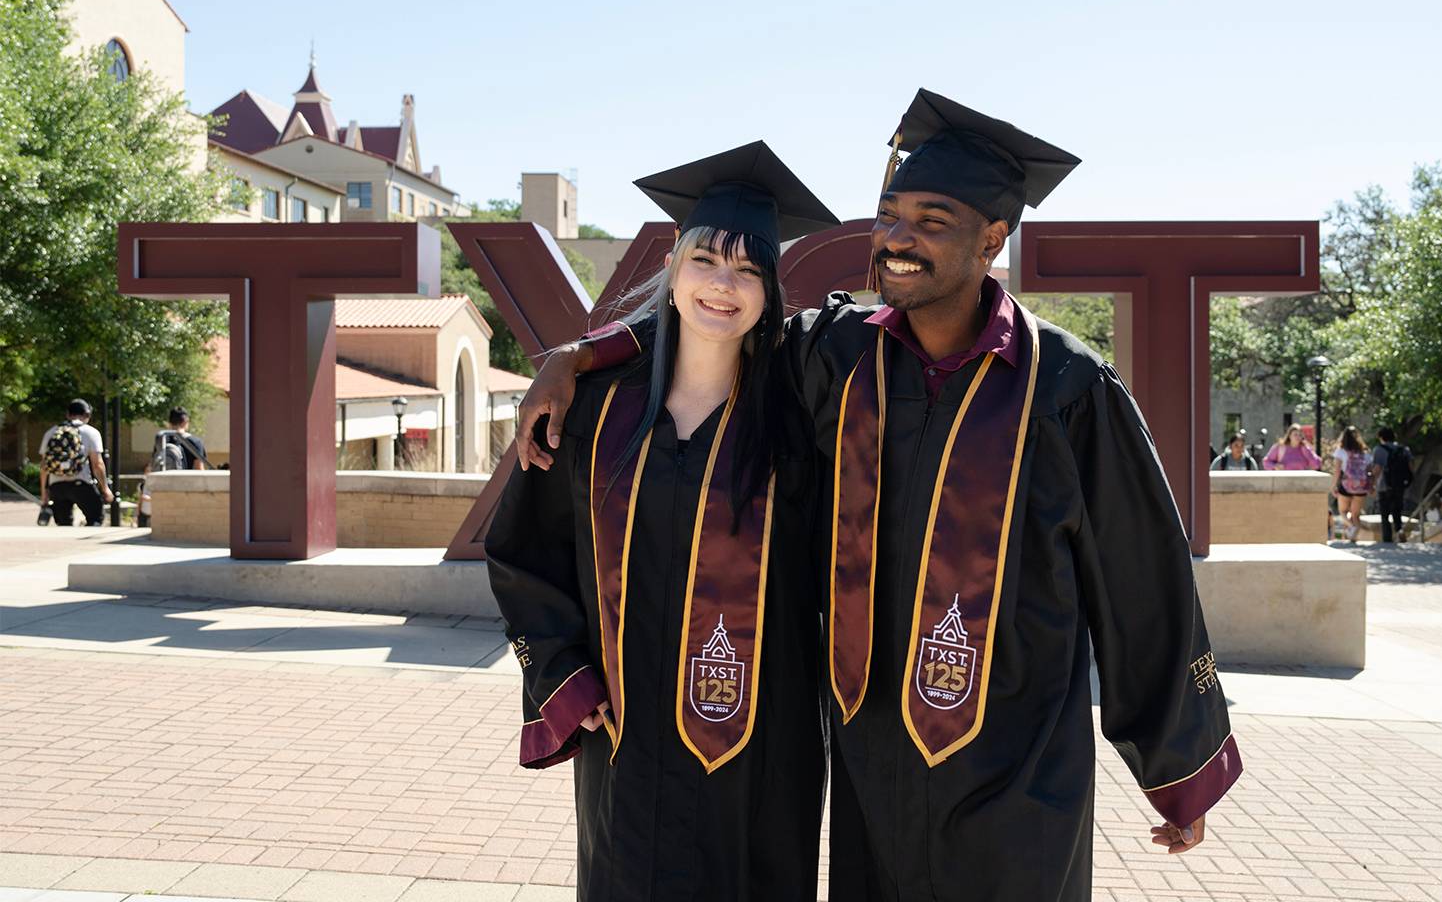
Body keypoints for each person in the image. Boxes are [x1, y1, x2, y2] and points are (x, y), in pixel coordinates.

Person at [521, 92, 1240, 901]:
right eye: (891, 214)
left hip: (1013, 771)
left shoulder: (1066, 388)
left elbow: (1141, 578)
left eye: (933, 220)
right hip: (872, 770)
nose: (898, 239)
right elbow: (719, 317)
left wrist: (1179, 764)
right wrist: (581, 354)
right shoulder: (837, 358)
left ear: (993, 239)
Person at [485, 142, 835, 901]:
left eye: (748, 269)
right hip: (626, 744)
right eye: (706, 258)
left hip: (761, 749)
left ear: (771, 292)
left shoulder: (802, 417)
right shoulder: (594, 412)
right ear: (673, 269)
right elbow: (521, 554)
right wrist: (562, 675)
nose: (723, 283)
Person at [37, 398, 114, 526]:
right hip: (81, 483)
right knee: (96, 518)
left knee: (63, 525)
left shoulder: (51, 432)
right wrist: (105, 489)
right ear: (87, 415)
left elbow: (44, 466)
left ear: (67, 414)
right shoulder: (91, 432)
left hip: (56, 486)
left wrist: (44, 494)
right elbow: (97, 464)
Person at [139, 407, 209, 527]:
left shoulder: (162, 439)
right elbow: (199, 470)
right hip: (186, 489)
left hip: (164, 487)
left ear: (170, 423)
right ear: (185, 422)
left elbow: (153, 465)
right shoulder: (195, 442)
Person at [1331, 426, 1376, 542]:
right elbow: (1370, 471)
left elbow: (1337, 471)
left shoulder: (1340, 451)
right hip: (1361, 486)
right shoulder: (1365, 452)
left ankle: (1352, 527)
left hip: (1347, 485)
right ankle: (1353, 538)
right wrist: (1371, 486)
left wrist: (1333, 486)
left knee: (1343, 511)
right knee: (1356, 514)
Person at [1370, 427, 1413, 544]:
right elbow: (1410, 468)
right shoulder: (1404, 449)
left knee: (1385, 515)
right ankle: (1400, 533)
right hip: (1399, 486)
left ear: (1381, 437)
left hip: (1384, 486)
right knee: (1397, 512)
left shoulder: (1379, 450)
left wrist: (1372, 482)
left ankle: (1387, 540)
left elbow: (1377, 469)